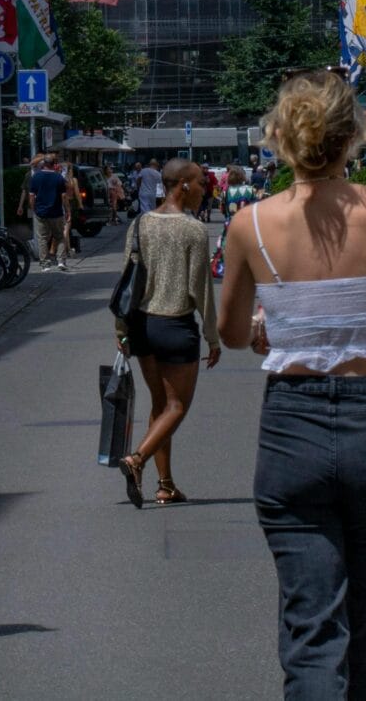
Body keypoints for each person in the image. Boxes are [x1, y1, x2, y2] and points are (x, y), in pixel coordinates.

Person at [219, 71, 366, 700]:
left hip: (291, 426)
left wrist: (267, 324)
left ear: (280, 139)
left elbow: (230, 333)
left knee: (311, 628)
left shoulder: (250, 224)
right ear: (353, 136)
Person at [116, 158, 222, 509]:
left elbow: (126, 278)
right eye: (201, 184)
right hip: (176, 326)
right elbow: (201, 288)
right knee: (177, 406)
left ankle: (165, 485)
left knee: (160, 406)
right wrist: (212, 335)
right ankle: (137, 460)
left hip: (143, 326)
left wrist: (121, 327)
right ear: (184, 185)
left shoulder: (140, 224)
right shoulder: (192, 230)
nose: (205, 190)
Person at [26, 153, 72, 271]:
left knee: (42, 238)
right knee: (59, 237)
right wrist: (67, 211)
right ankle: (61, 261)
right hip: (56, 212)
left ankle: (45, 265)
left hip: (41, 212)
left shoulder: (36, 177)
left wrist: (34, 209)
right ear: (53, 164)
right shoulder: (58, 178)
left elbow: (31, 196)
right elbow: (64, 196)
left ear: (44, 164)